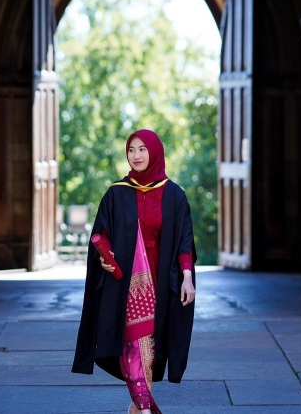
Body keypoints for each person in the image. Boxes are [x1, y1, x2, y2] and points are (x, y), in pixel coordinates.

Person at [72, 129, 196, 414]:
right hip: (125, 282)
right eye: (131, 150)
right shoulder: (117, 193)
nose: (136, 155)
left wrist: (186, 277)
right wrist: (104, 259)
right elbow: (101, 235)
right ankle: (143, 408)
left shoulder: (174, 195)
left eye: (142, 149)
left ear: (154, 152)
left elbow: (184, 241)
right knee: (132, 344)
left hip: (162, 282)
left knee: (149, 349)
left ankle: (138, 405)